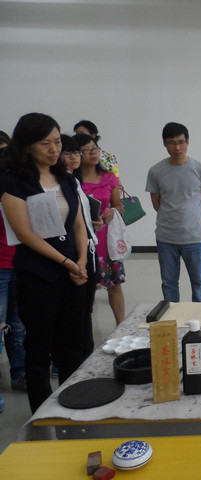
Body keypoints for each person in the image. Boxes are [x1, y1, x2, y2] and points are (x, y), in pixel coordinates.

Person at [0, 113, 88, 412]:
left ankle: (72, 406)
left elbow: (78, 223)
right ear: (27, 146)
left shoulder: (67, 178)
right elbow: (25, 234)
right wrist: (67, 262)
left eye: (57, 142)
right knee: (39, 347)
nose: (54, 149)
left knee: (72, 345)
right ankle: (42, 413)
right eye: (45, 143)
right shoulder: (14, 182)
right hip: (38, 276)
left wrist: (81, 261)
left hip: (73, 273)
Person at [145, 122, 201, 302]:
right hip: (166, 238)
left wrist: (192, 219)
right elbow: (156, 203)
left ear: (188, 142)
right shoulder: (155, 171)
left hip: (195, 238)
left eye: (181, 142)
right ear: (164, 144)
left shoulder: (200, 169)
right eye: (172, 143)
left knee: (199, 283)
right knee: (169, 283)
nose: (177, 148)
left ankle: (200, 316)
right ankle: (172, 316)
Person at [74, 133, 125, 324]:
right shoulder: (72, 181)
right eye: (86, 150)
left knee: (114, 286)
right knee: (85, 290)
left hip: (106, 240)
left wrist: (112, 212)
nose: (92, 153)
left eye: (94, 148)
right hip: (83, 241)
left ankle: (121, 326)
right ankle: (84, 329)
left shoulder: (109, 178)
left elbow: (118, 206)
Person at [59, 135, 102, 358]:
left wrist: (94, 223)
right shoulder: (58, 183)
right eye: (67, 152)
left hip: (89, 249)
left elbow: (80, 218)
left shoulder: (74, 180)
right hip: (74, 252)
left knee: (86, 308)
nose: (74, 157)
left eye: (76, 152)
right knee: (75, 310)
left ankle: (87, 354)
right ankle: (75, 358)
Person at [0, 132, 27, 414]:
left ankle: (20, 374)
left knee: (18, 325)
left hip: (20, 265)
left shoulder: (18, 187)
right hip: (0, 269)